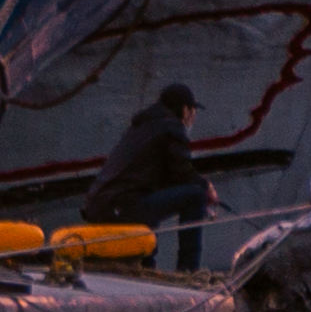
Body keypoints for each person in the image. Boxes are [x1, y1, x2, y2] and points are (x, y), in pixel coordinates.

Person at [76, 80, 213, 255]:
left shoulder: (142, 125)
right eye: (193, 112)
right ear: (186, 110)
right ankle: (188, 269)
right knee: (196, 195)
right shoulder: (172, 127)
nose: (193, 117)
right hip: (121, 207)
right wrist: (206, 186)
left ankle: (147, 263)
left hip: (101, 207)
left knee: (149, 200)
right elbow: (182, 173)